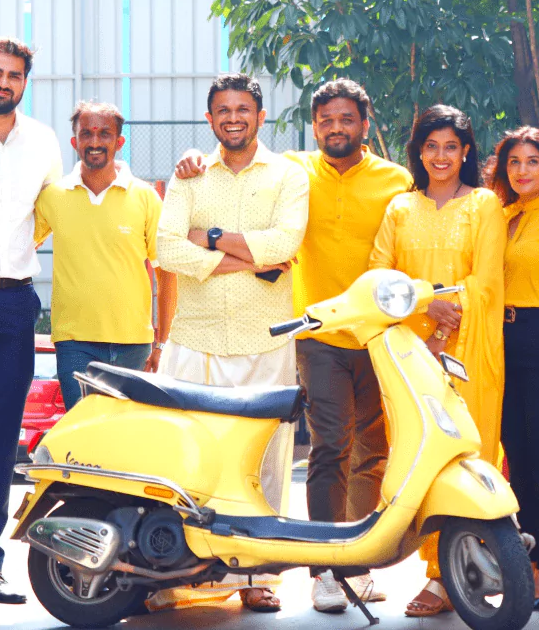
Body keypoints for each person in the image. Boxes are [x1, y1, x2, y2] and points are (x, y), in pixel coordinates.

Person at [174, 78, 412, 612]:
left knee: (373, 452)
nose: (335, 128)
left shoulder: (396, 181)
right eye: (325, 120)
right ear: (314, 126)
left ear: (364, 124)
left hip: (379, 335)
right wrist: (193, 158)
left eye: (346, 119)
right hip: (318, 331)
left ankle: (357, 565)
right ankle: (325, 570)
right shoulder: (295, 171)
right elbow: (238, 162)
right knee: (330, 446)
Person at [154, 73, 309, 613]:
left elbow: (285, 244)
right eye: (223, 109)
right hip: (193, 339)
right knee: (184, 460)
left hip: (264, 340)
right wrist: (246, 260)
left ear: (260, 117)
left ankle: (258, 576)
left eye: (243, 109)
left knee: (265, 461)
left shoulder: (288, 175)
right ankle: (180, 573)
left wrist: (210, 238)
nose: (234, 117)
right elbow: (166, 249)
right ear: (209, 118)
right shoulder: (190, 175)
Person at [370, 104, 506, 617]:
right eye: (431, 146)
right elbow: (379, 277)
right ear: (419, 151)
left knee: (469, 454)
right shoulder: (400, 208)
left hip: (469, 349)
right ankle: (439, 567)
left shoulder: (485, 206)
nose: (441, 156)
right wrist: (428, 307)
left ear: (466, 151)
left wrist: (449, 317)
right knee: (418, 456)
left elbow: (488, 281)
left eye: (451, 146)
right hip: (409, 352)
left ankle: (448, 576)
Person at [0, 36, 62, 604]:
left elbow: (56, 209)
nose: (4, 82)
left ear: (25, 83)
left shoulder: (42, 141)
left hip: (13, 305)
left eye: (14, 75)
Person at [34, 101, 176, 410]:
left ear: (119, 141)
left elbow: (166, 272)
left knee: (126, 436)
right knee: (83, 435)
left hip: (134, 346)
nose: (95, 142)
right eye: (86, 134)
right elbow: (19, 243)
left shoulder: (145, 198)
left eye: (104, 134)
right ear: (75, 142)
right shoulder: (53, 198)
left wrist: (161, 342)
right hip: (75, 344)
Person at [484, 126, 539, 608]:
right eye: (514, 163)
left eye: (533, 161)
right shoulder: (503, 214)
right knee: (517, 456)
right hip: (501, 339)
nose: (522, 171)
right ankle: (529, 566)